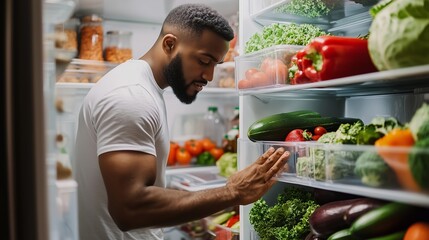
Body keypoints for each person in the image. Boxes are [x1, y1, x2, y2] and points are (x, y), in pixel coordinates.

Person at [74, 3, 290, 240]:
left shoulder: (140, 87)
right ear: (170, 44)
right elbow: (130, 209)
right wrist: (232, 192)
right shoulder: (131, 95)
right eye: (204, 61)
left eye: (215, 65)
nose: (209, 76)